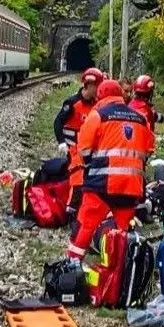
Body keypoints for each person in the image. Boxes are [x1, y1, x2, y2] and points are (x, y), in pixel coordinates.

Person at [65, 80, 155, 260]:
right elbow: (148, 149)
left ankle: (72, 263)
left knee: (85, 226)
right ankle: (119, 268)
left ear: (100, 96)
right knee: (121, 233)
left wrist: (93, 164)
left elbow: (84, 149)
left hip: (101, 184)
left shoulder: (97, 115)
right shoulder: (140, 118)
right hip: (131, 186)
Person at [54, 67, 104, 217]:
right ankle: (71, 211)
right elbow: (58, 122)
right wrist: (61, 142)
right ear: (89, 85)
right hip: (73, 147)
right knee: (78, 177)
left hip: (89, 148)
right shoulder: (72, 103)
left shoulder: (97, 104)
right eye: (97, 86)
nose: (99, 89)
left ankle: (88, 207)